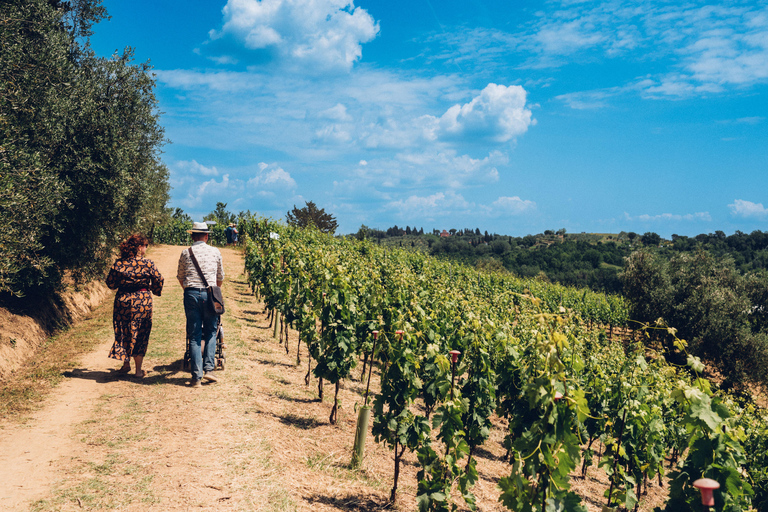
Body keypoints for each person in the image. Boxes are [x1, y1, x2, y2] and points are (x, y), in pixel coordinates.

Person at [106, 233, 164, 378]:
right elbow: (159, 279)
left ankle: (126, 364)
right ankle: (138, 371)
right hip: (142, 301)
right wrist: (153, 289)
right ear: (139, 247)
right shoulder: (147, 263)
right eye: (145, 245)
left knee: (124, 329)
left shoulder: (119, 263)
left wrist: (123, 283)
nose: (146, 248)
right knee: (141, 332)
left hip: (123, 300)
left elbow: (110, 283)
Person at [177, 221, 225, 388]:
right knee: (211, 331)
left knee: (194, 334)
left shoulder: (185, 252)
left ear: (192, 236)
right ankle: (209, 369)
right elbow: (220, 277)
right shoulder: (215, 251)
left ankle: (196, 377)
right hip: (210, 293)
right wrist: (213, 293)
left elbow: (180, 277)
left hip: (191, 294)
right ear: (206, 236)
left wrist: (190, 291)